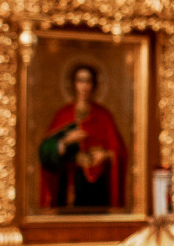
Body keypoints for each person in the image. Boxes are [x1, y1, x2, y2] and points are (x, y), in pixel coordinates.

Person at [38, 64, 128, 209]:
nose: (84, 86)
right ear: (74, 84)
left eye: (88, 81)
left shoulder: (103, 116)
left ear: (93, 85)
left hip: (97, 186)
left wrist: (105, 155)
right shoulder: (64, 114)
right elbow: (45, 150)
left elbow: (120, 151)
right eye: (80, 81)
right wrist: (66, 141)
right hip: (69, 184)